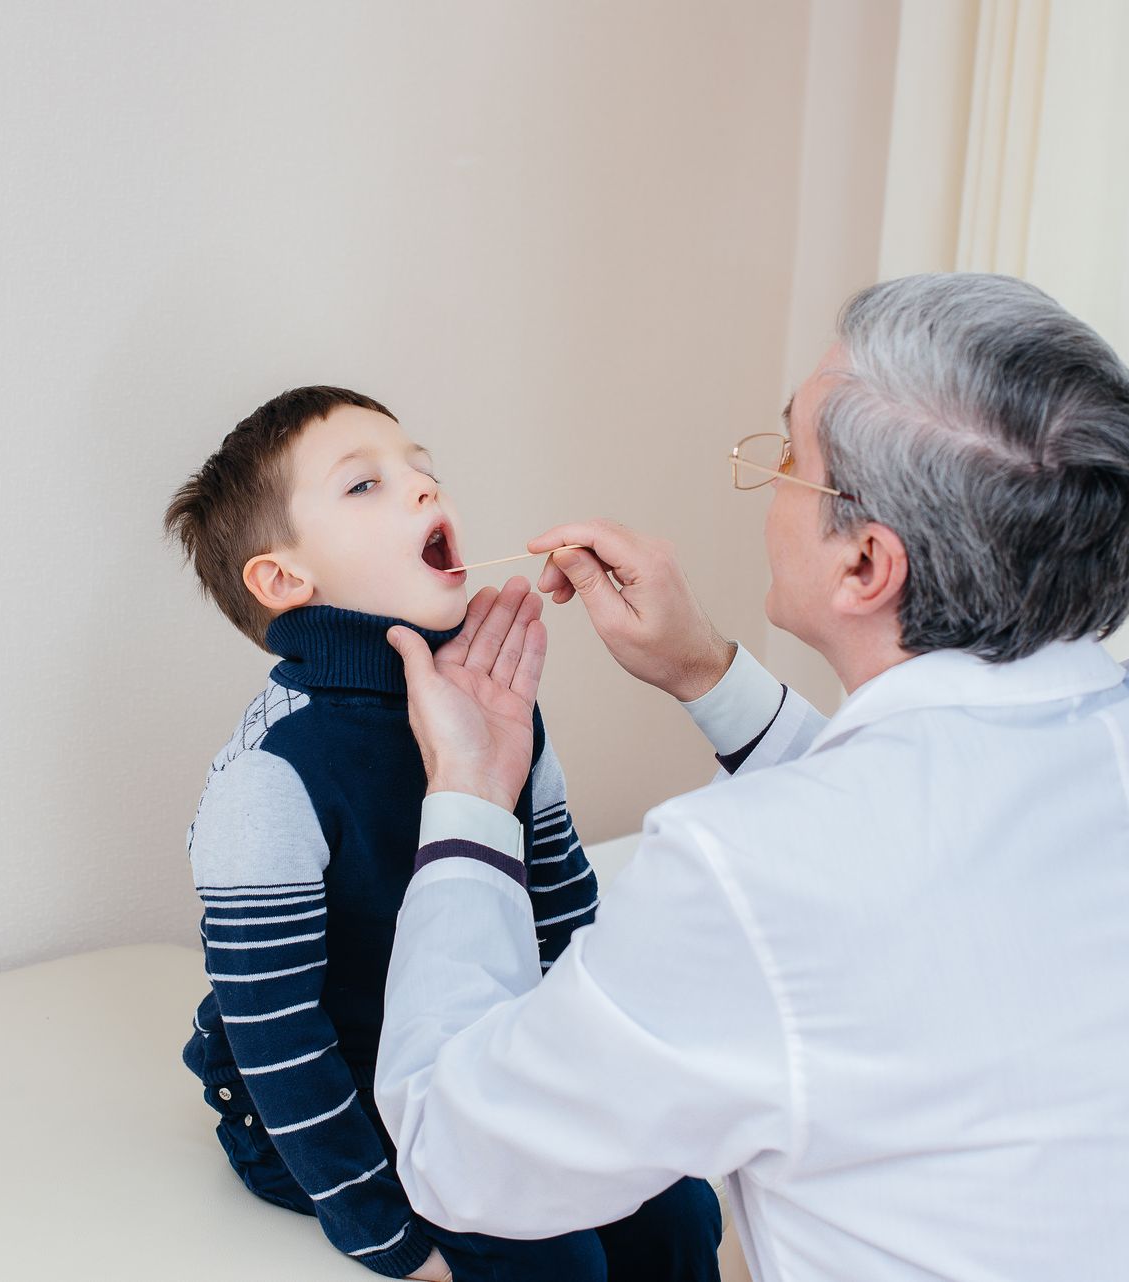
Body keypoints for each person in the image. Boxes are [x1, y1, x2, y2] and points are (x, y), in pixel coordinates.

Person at [375, 275, 1129, 1281]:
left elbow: (460, 1158)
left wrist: (470, 790)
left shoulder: (747, 870)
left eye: (790, 453)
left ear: (865, 566)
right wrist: (707, 672)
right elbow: (936, 842)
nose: (773, 472)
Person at [163, 386, 722, 1281]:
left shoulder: (502, 713)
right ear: (281, 579)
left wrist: (596, 1106)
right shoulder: (273, 774)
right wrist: (388, 1234)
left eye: (423, 471)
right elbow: (276, 1034)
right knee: (556, 1261)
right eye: (366, 486)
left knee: (679, 1211)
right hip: (329, 1110)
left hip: (469, 1069)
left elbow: (566, 925)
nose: (425, 490)